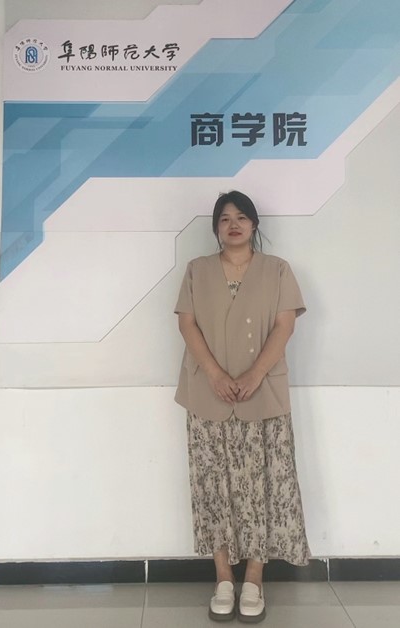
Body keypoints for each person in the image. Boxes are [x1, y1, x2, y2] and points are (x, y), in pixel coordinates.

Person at [174, 190, 311, 623]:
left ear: (254, 224)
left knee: (261, 484)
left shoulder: (277, 269)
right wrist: (215, 374)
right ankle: (222, 578)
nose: (233, 224)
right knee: (213, 484)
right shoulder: (197, 270)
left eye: (241, 217)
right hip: (207, 391)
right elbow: (187, 324)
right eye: (224, 218)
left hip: (263, 391)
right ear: (216, 228)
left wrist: (254, 375)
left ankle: (253, 577)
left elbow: (284, 326)